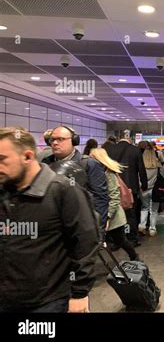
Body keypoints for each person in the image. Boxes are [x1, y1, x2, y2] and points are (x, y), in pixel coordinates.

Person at [0, 127, 99, 312]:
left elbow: (85, 243)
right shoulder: (5, 191)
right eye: (52, 139)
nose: (55, 143)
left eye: (2, 160)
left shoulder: (63, 191)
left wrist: (79, 293)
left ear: (28, 157)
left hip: (48, 301)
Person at [42, 126, 109, 229]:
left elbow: (100, 200)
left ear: (74, 141)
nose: (55, 143)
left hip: (81, 226)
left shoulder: (89, 164)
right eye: (52, 139)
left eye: (60, 139)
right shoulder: (45, 163)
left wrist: (98, 231)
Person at [89, 148, 140, 261]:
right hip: (103, 214)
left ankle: (135, 258)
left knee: (121, 240)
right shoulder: (98, 174)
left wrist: (107, 216)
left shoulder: (108, 174)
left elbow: (115, 198)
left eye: (92, 158)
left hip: (113, 215)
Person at [107, 132, 148, 247]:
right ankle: (132, 239)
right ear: (129, 140)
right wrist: (144, 185)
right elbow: (141, 170)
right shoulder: (135, 150)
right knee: (131, 215)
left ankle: (116, 241)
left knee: (115, 214)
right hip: (131, 188)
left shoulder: (110, 150)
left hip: (114, 187)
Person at [138, 144, 162, 237]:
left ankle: (142, 226)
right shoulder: (157, 164)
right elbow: (163, 175)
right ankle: (152, 229)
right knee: (154, 210)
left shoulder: (141, 165)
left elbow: (138, 177)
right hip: (155, 190)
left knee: (144, 208)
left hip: (143, 189)